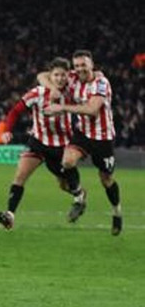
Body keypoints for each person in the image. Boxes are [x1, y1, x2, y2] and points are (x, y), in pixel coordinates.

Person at [42, 50, 122, 235]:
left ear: (91, 64)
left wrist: (62, 107)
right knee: (67, 161)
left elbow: (92, 110)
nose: (80, 69)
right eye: (76, 66)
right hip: (83, 134)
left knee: (106, 179)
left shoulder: (101, 83)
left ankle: (117, 212)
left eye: (83, 65)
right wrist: (53, 88)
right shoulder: (73, 79)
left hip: (103, 138)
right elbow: (42, 75)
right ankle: (79, 198)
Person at [0, 58, 76, 229]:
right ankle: (10, 215)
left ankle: (79, 193)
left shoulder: (73, 92)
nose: (60, 78)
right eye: (56, 75)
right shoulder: (38, 93)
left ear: (68, 76)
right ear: (51, 76)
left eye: (63, 75)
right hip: (38, 142)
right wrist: (7, 130)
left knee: (64, 185)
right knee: (20, 175)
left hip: (62, 147)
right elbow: (15, 111)